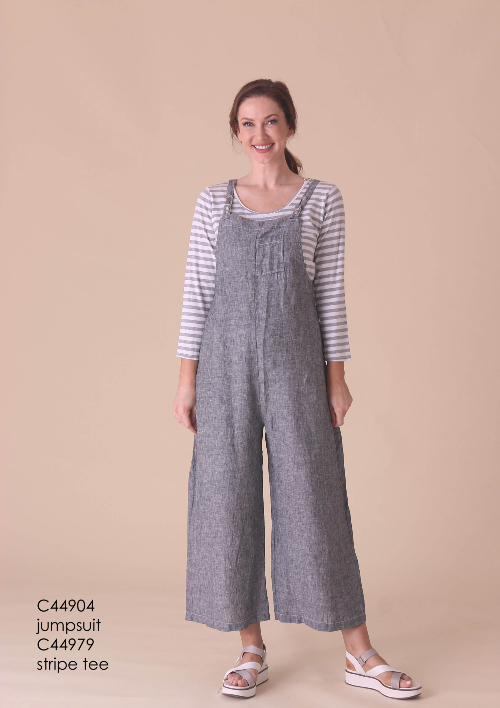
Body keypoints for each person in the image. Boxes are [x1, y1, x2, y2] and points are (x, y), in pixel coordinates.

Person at [173, 79, 422, 700]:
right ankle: (250, 649)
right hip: (223, 369)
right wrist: (187, 380)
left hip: (298, 369)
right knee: (225, 500)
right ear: (236, 132)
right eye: (248, 123)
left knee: (315, 498)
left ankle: (359, 653)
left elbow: (330, 296)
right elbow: (197, 292)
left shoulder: (321, 200)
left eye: (271, 121)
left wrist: (337, 379)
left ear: (289, 125)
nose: (260, 134)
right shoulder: (213, 202)